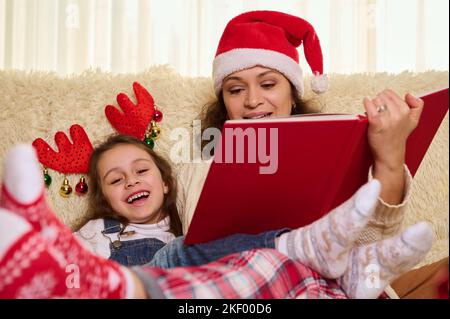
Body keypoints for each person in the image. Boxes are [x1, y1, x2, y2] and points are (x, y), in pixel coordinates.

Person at [180, 10, 446, 298]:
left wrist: (389, 160)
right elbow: (205, 262)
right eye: (235, 90)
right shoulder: (197, 168)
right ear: (225, 102)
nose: (253, 101)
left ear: (293, 94)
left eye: (268, 84)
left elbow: (371, 246)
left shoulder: (335, 151)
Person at [0, 136, 432, 298]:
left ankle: (350, 280)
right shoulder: (98, 232)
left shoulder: (185, 223)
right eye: (116, 180)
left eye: (141, 170)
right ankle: (305, 245)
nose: (131, 182)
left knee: (268, 265)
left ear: (166, 183)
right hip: (137, 287)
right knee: (178, 252)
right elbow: (70, 271)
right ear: (105, 200)